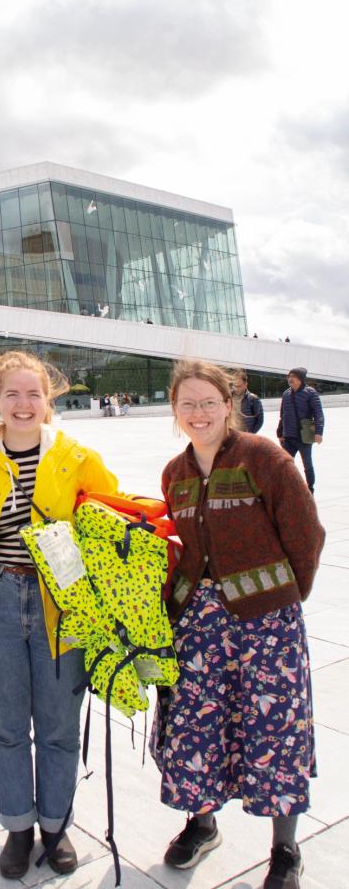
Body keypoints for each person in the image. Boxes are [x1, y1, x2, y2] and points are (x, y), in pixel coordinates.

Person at [150, 359, 324, 889]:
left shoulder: (263, 458)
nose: (198, 413)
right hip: (198, 624)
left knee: (275, 729)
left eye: (209, 402)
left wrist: (282, 597)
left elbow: (306, 533)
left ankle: (285, 848)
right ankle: (202, 824)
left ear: (229, 404)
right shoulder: (175, 473)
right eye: (187, 403)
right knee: (196, 723)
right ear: (175, 409)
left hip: (266, 623)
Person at [0, 350, 121, 880]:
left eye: (33, 394)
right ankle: (18, 827)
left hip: (61, 605)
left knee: (58, 725)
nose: (23, 404)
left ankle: (55, 824)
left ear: (48, 400)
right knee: (4, 726)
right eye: (12, 394)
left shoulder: (79, 459)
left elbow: (111, 528)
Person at [277, 366, 324, 493]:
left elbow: (318, 414)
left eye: (293, 376)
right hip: (289, 437)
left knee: (307, 465)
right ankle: (286, 489)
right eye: (289, 376)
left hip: (305, 436)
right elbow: (283, 414)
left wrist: (319, 433)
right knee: (284, 464)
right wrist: (280, 432)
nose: (290, 379)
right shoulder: (286, 394)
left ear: (300, 379)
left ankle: (310, 489)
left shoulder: (310, 393)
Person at [231, 369, 264, 433]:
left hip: (246, 434)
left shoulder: (253, 399)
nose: (236, 389)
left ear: (245, 384)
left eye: (239, 386)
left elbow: (260, 419)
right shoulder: (228, 397)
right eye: (234, 386)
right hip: (232, 434)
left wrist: (251, 433)